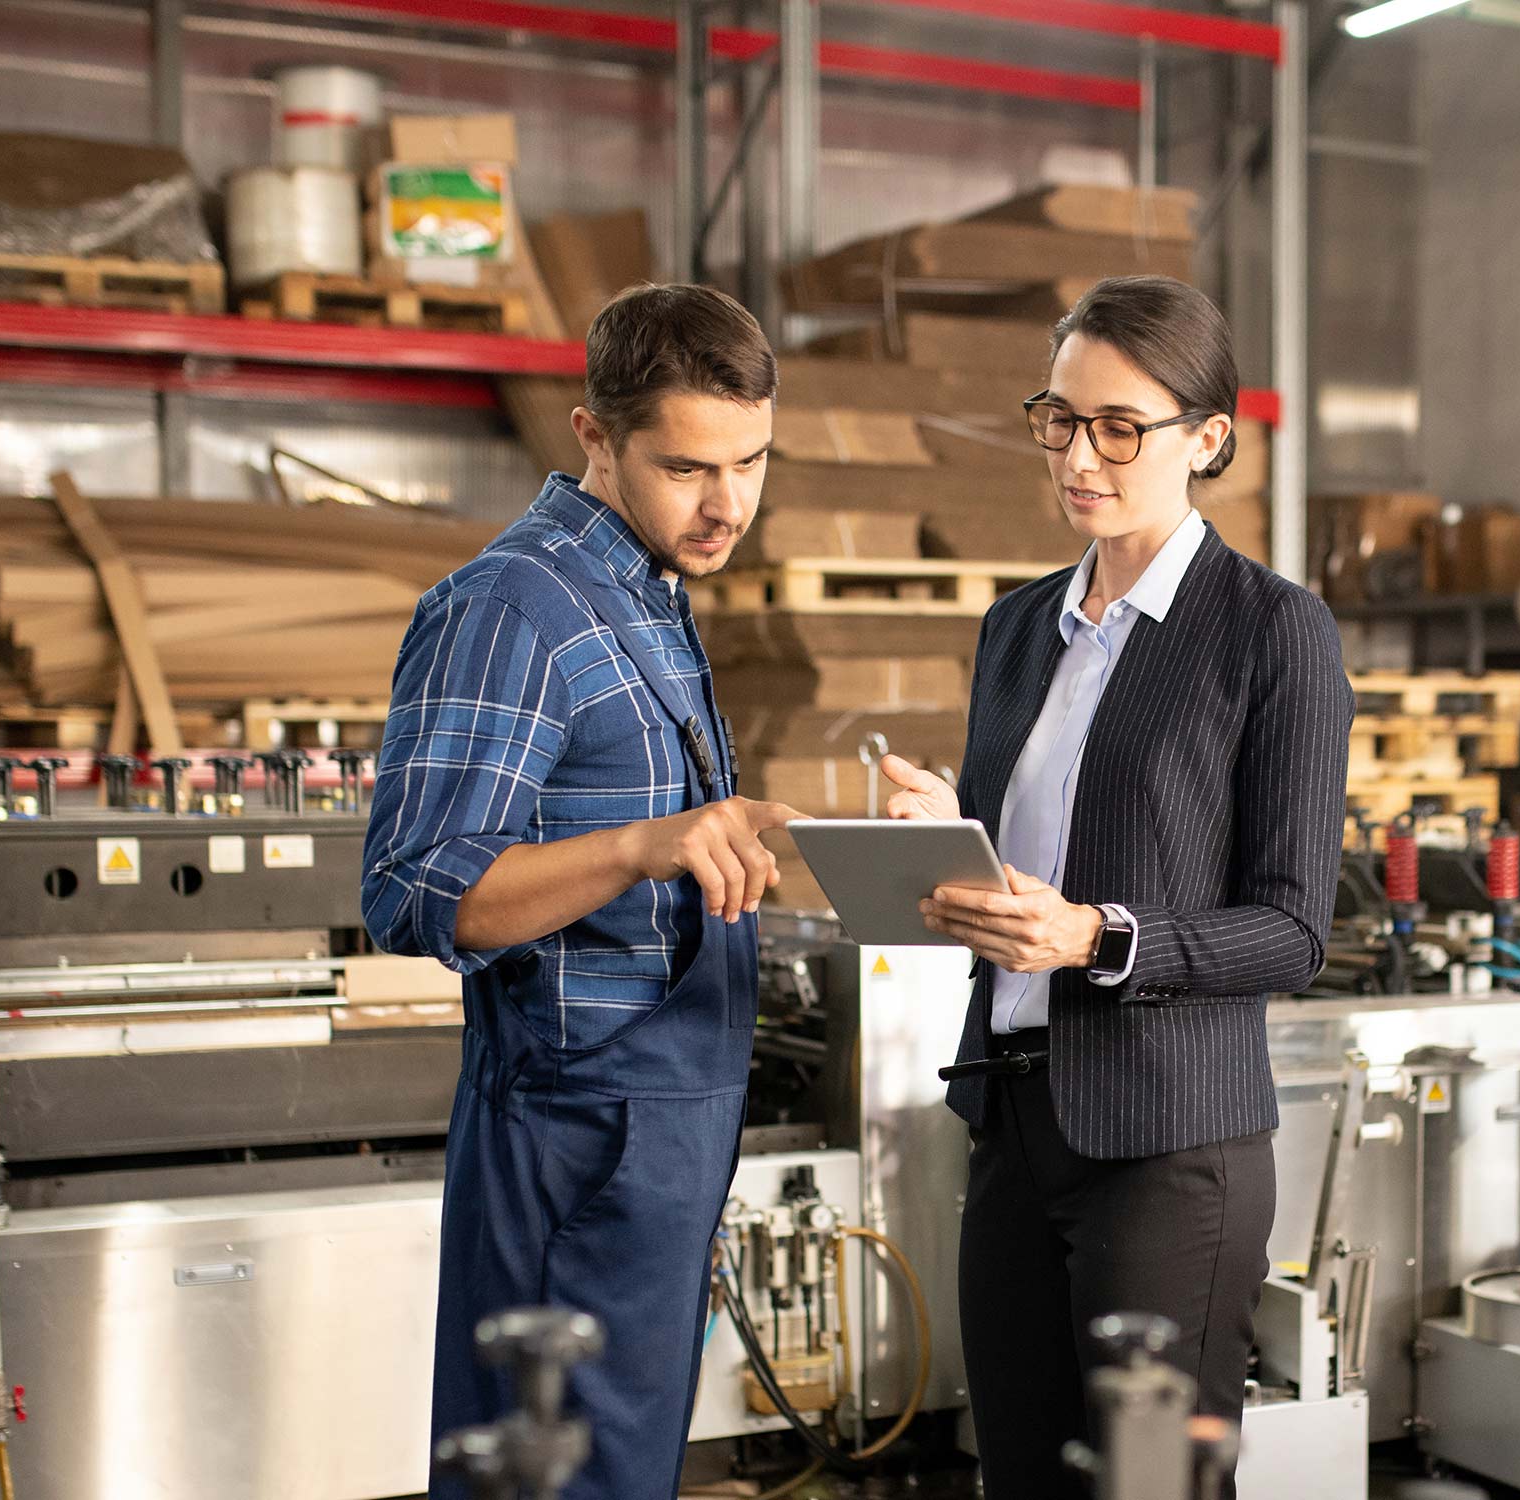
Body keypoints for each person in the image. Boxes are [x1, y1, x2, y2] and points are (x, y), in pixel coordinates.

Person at [876, 275, 1351, 1499]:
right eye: (1061, 419)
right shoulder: (1019, 627)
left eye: (1120, 428)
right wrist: (947, 837)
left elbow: (1294, 929)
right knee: (1023, 1478)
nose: (1081, 457)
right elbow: (1023, 866)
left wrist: (1097, 936)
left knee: (1148, 1490)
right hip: (1014, 1123)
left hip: (1167, 1150)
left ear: (1208, 439)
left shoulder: (1271, 633)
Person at [361, 283, 801, 1500]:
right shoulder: (514, 608)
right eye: (689, 469)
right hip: (574, 1139)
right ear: (593, 437)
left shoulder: (645, 595)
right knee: (549, 1480)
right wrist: (640, 848)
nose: (727, 505)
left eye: (753, 462)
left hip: (659, 1136)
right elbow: (415, 893)